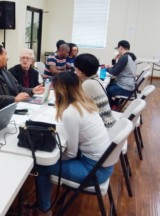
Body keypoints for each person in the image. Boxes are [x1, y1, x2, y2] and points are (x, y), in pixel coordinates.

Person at [36, 72, 113, 215]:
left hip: (93, 171)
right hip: (103, 165)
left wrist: (54, 158)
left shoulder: (71, 113)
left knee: (43, 166)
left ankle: (44, 210)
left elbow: (71, 153)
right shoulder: (86, 103)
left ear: (60, 90)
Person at [0, 44, 44, 112]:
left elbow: (17, 87)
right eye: (5, 54)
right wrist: (14, 99)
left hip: (8, 109)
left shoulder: (4, 72)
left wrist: (32, 91)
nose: (7, 58)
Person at [74, 53, 116, 128]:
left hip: (103, 126)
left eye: (76, 69)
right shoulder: (96, 79)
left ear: (81, 72)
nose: (75, 72)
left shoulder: (88, 84)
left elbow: (77, 105)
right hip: (107, 120)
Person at [106, 40, 137, 109]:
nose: (118, 51)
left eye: (118, 49)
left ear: (121, 48)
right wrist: (115, 59)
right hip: (130, 85)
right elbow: (116, 67)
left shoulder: (124, 57)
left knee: (105, 89)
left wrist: (106, 69)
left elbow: (114, 72)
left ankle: (113, 106)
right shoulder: (132, 56)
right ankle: (116, 103)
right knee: (109, 84)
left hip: (125, 88)